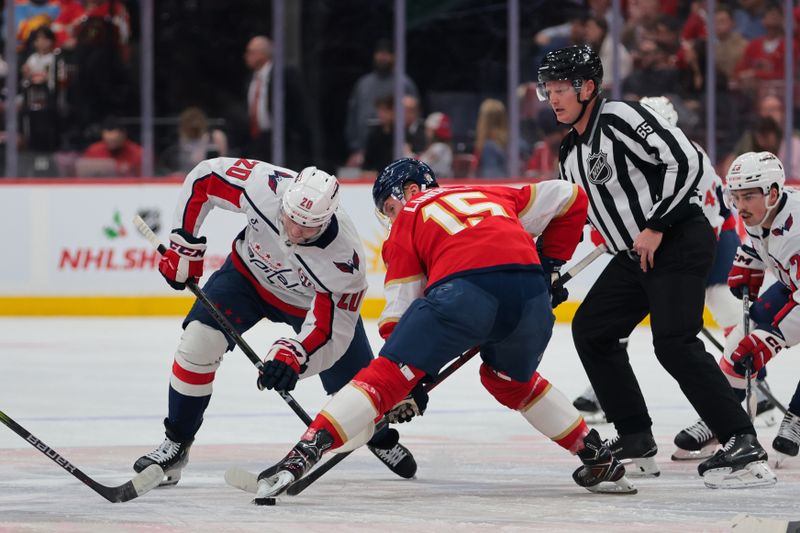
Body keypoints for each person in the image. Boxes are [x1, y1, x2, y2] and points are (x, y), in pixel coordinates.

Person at [254, 157, 639, 498]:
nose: (391, 216)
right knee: (509, 380)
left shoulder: (408, 218)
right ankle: (595, 455)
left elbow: (399, 315)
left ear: (410, 190)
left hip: (465, 292)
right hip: (530, 300)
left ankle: (303, 452)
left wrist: (409, 379)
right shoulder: (493, 195)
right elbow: (571, 197)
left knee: (385, 376)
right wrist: (550, 266)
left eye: (389, 206)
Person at [537, 44, 775, 488]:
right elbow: (575, 216)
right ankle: (635, 438)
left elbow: (685, 162)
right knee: (592, 329)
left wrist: (657, 224)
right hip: (636, 255)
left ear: (588, 87)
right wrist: (550, 269)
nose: (552, 97)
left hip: (680, 238)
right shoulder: (570, 152)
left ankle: (742, 441)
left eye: (560, 88)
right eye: (547, 89)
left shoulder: (620, 118)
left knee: (673, 342)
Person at [132, 157, 417, 486]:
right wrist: (185, 244)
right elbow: (205, 180)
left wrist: (294, 357)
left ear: (326, 220)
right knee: (198, 342)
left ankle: (378, 436)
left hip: (311, 305)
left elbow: (327, 332)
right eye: (290, 218)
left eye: (307, 226)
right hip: (246, 279)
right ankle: (176, 445)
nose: (294, 231)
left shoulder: (345, 263)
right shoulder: (264, 186)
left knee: (358, 391)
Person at [571, 96, 777, 456]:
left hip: (702, 243)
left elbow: (703, 211)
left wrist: (673, 255)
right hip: (658, 248)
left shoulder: (681, 157)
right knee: (602, 328)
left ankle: (743, 398)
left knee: (688, 335)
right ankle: (632, 420)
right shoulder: (596, 150)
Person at [715, 151, 800, 468]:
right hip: (794, 283)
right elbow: (757, 242)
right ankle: (722, 417)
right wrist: (747, 264)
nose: (740, 204)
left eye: (748, 195)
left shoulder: (798, 228)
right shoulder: (760, 211)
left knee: (764, 336)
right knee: (743, 338)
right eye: (735, 195)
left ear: (773, 193)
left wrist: (774, 340)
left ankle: (798, 417)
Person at [344, 39, 419, 167]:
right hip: (364, 150)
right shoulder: (363, 84)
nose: (383, 57)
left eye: (387, 53)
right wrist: (355, 148)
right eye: (380, 53)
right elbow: (353, 116)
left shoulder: (403, 84)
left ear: (394, 56)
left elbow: (414, 116)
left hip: (395, 149)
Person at [242, 36, 312, 170]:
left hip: (282, 141)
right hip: (257, 140)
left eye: (250, 52)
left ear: (262, 54)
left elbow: (300, 107)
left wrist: (293, 134)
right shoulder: (251, 79)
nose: (246, 56)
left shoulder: (284, 74)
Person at [158, 107, 229, 176]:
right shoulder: (180, 139)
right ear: (183, 126)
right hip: (185, 177)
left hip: (210, 177)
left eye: (196, 124)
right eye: (190, 125)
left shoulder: (215, 137)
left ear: (203, 123)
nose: (194, 126)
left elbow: (223, 163)